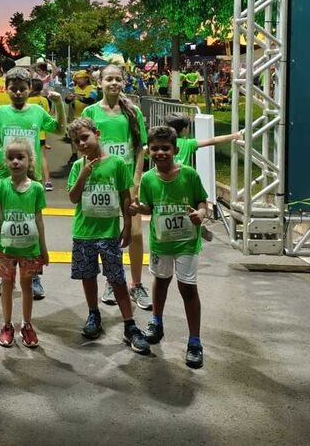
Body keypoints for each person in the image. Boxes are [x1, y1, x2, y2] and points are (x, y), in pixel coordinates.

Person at [0, 66, 65, 300]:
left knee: (32, 224)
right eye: (13, 89)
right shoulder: (0, 112)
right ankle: (6, 277)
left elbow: (59, 128)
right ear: (6, 90)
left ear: (30, 90)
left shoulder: (37, 112)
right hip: (6, 177)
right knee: (7, 224)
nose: (17, 93)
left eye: (22, 89)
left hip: (32, 176)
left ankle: (34, 275)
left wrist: (58, 105)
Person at [66, 118, 150, 354]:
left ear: (97, 133)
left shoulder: (116, 164)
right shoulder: (77, 167)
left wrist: (126, 226)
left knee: (117, 279)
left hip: (109, 232)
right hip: (83, 232)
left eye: (85, 137)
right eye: (76, 141)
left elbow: (125, 196)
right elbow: (73, 198)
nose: (82, 143)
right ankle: (93, 314)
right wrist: (83, 173)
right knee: (88, 276)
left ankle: (130, 325)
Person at [131, 125, 210, 369]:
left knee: (188, 289)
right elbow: (149, 207)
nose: (160, 153)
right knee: (161, 281)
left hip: (187, 242)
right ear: (149, 151)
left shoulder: (189, 174)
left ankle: (194, 341)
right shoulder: (147, 178)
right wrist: (137, 208)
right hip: (161, 243)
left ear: (175, 149)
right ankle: (156, 321)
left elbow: (202, 201)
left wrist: (201, 213)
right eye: (155, 148)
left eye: (165, 148)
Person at [81, 64, 150, 310]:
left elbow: (140, 149)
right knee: (110, 237)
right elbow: (83, 147)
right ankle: (113, 280)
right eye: (108, 79)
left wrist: (136, 182)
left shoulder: (133, 112)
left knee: (135, 233)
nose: (113, 83)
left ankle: (137, 283)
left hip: (126, 183)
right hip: (101, 184)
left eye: (117, 79)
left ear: (124, 82)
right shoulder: (90, 112)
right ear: (100, 82)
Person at [0, 139, 48, 348]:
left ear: (30, 160)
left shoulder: (37, 189)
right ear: (5, 161)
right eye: (10, 158)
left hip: (30, 248)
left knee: (27, 286)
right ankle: (6, 325)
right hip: (6, 248)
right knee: (7, 285)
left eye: (20, 157)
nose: (15, 162)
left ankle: (27, 325)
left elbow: (39, 220)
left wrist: (44, 249)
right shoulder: (1, 187)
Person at [163, 112, 242, 169]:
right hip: (182, 181)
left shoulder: (161, 142)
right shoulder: (188, 144)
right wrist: (234, 136)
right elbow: (213, 141)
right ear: (184, 130)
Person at [26, 77, 54, 192]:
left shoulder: (26, 100)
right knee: (42, 157)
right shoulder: (44, 100)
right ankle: (48, 181)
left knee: (27, 156)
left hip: (28, 132)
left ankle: (30, 180)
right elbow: (48, 114)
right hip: (41, 132)